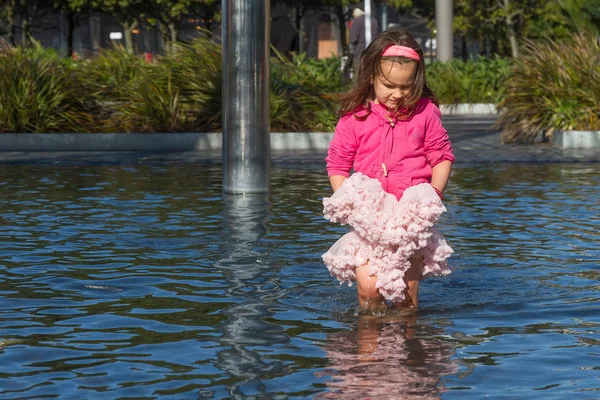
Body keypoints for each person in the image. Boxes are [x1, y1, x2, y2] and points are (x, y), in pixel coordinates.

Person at [322, 30, 455, 310]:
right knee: (369, 291)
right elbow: (338, 162)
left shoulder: (424, 113)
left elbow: (441, 155)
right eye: (389, 86)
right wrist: (348, 201)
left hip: (410, 216)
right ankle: (370, 347)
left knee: (406, 297)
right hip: (370, 217)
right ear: (371, 77)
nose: (398, 95)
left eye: (406, 87)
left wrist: (435, 193)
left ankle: (409, 348)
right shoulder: (356, 116)